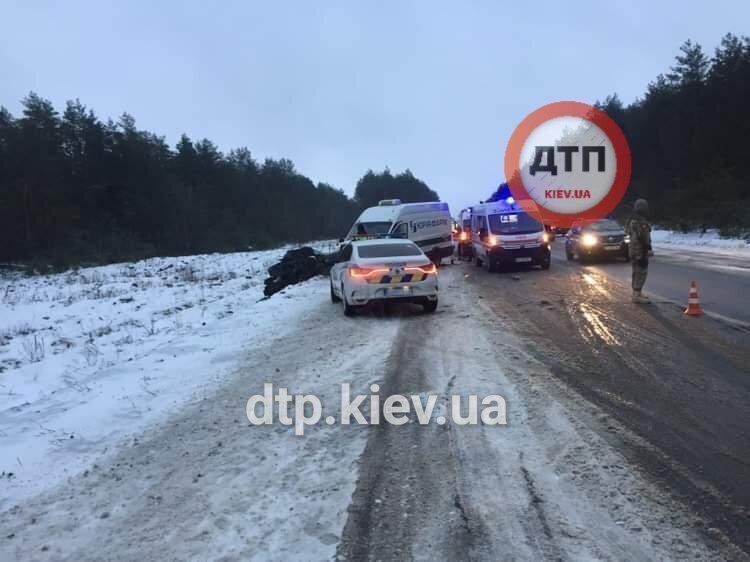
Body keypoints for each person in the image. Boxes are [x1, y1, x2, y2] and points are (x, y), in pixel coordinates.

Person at [626, 199, 654, 303]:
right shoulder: (639, 221)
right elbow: (642, 237)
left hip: (635, 250)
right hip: (640, 250)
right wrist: (648, 250)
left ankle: (637, 293)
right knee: (641, 271)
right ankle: (637, 295)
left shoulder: (633, 219)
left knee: (637, 271)